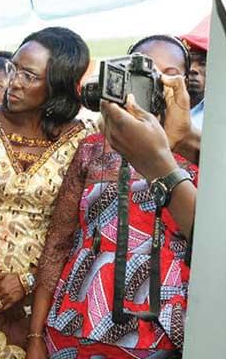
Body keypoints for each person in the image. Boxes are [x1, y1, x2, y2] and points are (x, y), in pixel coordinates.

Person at [27, 35, 199, 358]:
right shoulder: (92, 149)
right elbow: (58, 244)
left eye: (169, 73)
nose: (157, 84)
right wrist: (35, 335)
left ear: (185, 84)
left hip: (160, 336)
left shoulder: (202, 156)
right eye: (145, 71)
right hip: (76, 323)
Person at [0, 27, 96, 359]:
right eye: (13, 69)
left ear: (57, 85)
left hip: (44, 297)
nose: (14, 82)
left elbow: (78, 228)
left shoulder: (84, 140)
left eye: (28, 75)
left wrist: (31, 280)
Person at [180, 17, 209, 130]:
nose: (193, 69)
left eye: (202, 63)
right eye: (188, 62)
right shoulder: (160, 109)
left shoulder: (220, 114)